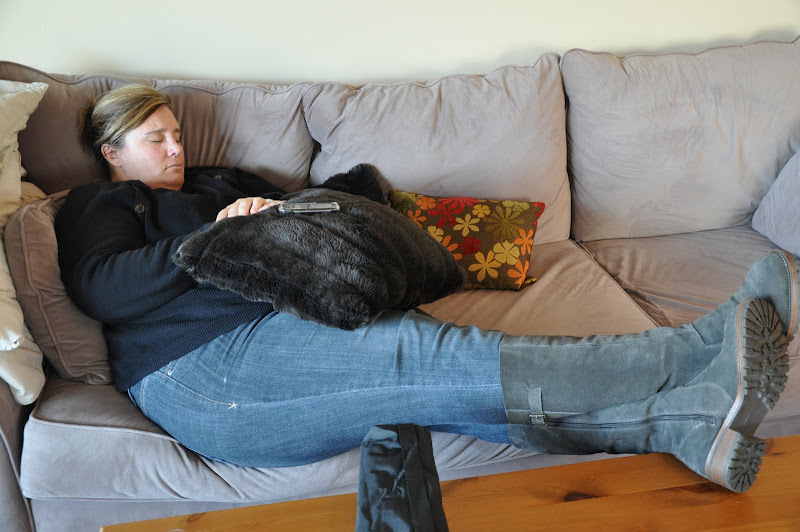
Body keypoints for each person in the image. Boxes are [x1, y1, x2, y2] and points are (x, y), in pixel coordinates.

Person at [55, 84, 796, 494]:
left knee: (446, 385)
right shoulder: (105, 204)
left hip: (286, 323)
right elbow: (100, 290)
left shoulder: (223, 180)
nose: (177, 148)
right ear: (111, 152)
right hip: (201, 371)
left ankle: (682, 428)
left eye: (177, 133)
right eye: (156, 139)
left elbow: (311, 219)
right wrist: (215, 236)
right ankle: (691, 351)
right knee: (429, 357)